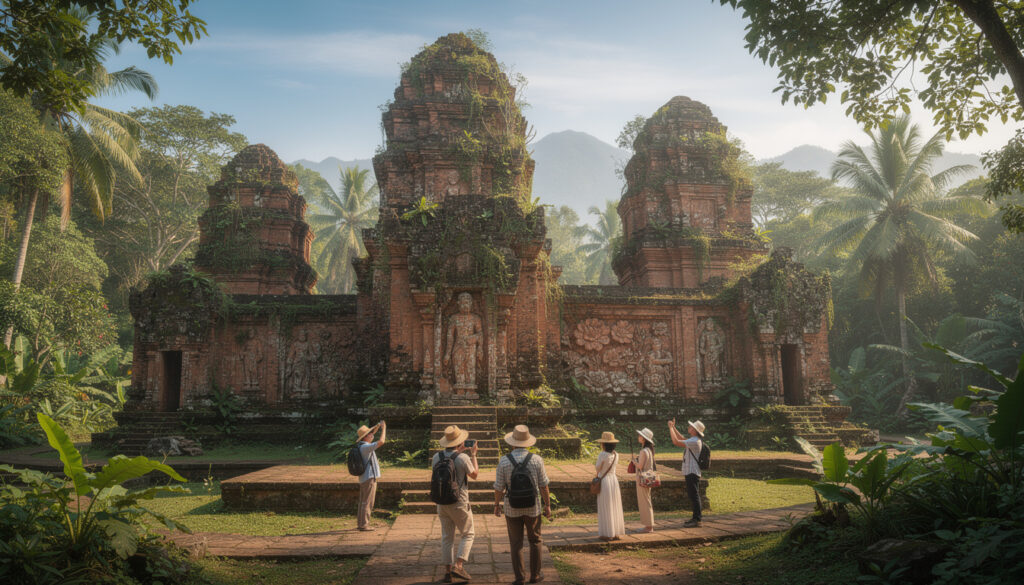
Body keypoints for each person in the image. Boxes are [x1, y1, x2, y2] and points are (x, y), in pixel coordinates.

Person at [494, 425, 551, 585]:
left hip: (512, 508)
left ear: (512, 443)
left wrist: (496, 504)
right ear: (527, 443)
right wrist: (547, 505)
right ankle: (535, 575)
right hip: (533, 507)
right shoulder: (537, 460)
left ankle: (520, 578)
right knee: (535, 540)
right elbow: (544, 486)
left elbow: (499, 487)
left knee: (516, 542)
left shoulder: (504, 461)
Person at [433, 425, 479, 583]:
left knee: (447, 537)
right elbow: (474, 475)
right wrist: (473, 455)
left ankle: (447, 572)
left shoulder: (436, 457)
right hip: (459, 502)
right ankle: (458, 565)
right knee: (468, 533)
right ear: (460, 442)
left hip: (441, 502)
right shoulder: (463, 458)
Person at [668, 418, 704, 527]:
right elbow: (682, 438)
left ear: (695, 430)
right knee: (693, 495)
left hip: (692, 471)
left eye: (691, 427)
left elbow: (676, 441)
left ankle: (697, 519)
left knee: (694, 495)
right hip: (690, 471)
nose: (689, 427)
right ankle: (695, 518)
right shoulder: (694, 440)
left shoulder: (694, 441)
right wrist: (674, 427)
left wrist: (670, 428)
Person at [355, 420, 386, 531]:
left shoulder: (362, 446)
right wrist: (384, 428)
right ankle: (364, 524)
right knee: (367, 502)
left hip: (365, 477)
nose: (371, 435)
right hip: (369, 478)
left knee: (363, 501)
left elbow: (373, 436)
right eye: (369, 434)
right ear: (365, 437)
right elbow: (381, 441)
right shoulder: (365, 447)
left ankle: (361, 523)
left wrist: (377, 428)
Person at [594, 431, 625, 541]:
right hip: (613, 480)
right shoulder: (616, 454)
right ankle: (616, 532)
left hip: (605, 481)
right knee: (614, 504)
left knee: (605, 505)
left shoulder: (602, 455)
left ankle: (607, 533)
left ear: (604, 444)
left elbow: (597, 468)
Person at [633, 427, 657, 533]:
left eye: (640, 436)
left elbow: (640, 466)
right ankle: (649, 525)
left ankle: (648, 526)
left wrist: (634, 462)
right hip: (648, 478)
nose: (638, 437)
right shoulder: (649, 451)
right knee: (647, 501)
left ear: (644, 439)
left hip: (642, 478)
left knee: (645, 502)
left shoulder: (643, 451)